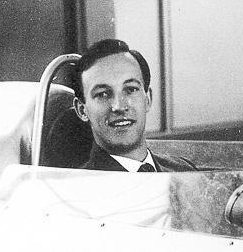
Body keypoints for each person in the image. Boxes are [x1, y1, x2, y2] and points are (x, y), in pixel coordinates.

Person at [72, 39, 196, 172]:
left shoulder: (185, 172)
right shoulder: (78, 188)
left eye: (130, 89)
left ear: (148, 99)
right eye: (103, 94)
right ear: (82, 110)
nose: (119, 106)